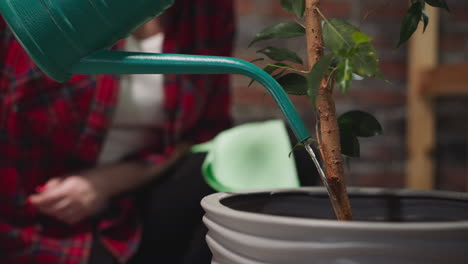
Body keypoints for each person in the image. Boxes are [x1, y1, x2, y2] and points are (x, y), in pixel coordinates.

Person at [0, 0, 235, 263]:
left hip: (140, 190)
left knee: (257, 161)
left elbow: (205, 131)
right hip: (37, 208)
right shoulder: (40, 9)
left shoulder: (207, 10)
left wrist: (105, 183)